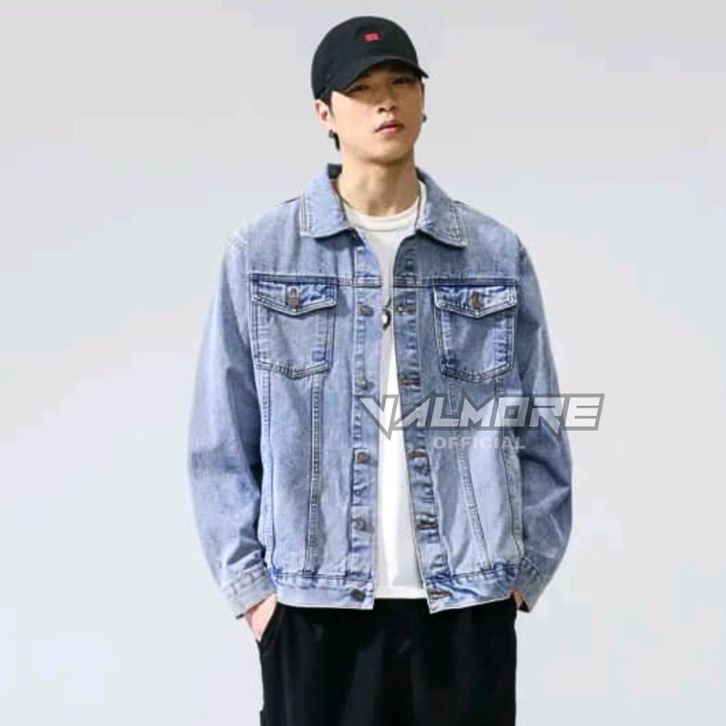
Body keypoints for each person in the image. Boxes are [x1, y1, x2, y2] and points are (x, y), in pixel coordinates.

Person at [187, 15, 573, 726]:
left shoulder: (492, 252)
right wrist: (256, 597)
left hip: (465, 606)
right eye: (362, 89)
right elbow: (220, 441)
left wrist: (522, 578)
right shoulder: (262, 253)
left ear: (424, 99)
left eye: (402, 82)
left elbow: (540, 426)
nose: (386, 101)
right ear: (325, 114)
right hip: (314, 608)